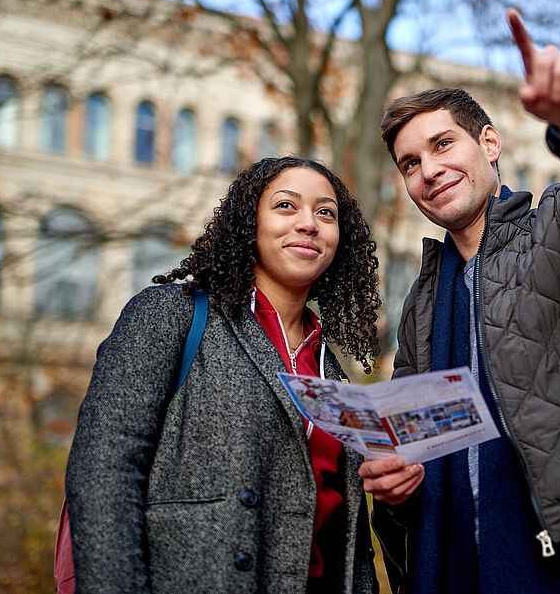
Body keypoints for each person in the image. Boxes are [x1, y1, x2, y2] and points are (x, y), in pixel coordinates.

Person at [359, 9, 560, 594]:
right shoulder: (424, 299)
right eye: (409, 163)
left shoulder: (558, 226)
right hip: (456, 567)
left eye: (442, 144)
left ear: (490, 142)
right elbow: (416, 443)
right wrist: (390, 474)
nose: (429, 170)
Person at [66, 156, 381, 593]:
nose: (309, 223)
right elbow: (105, 468)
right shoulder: (171, 315)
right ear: (248, 223)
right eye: (286, 206)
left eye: (325, 212)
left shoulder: (330, 368)